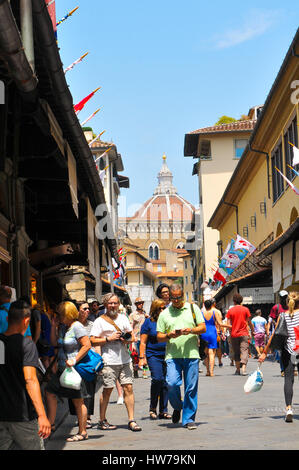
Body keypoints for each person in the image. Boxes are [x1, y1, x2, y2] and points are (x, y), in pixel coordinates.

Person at [0, 300, 51, 450]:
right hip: (23, 415)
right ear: (27, 321)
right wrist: (42, 415)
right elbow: (30, 379)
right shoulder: (27, 345)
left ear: (8, 319)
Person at [156, 283, 206, 430]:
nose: (176, 300)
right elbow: (159, 337)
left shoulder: (193, 308)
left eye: (179, 297)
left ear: (183, 295)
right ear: (169, 297)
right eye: (173, 298)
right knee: (171, 383)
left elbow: (202, 328)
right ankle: (178, 406)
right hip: (172, 355)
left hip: (191, 354)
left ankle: (189, 418)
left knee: (191, 388)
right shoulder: (165, 313)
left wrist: (190, 330)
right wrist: (169, 335)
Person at [90, 293, 142, 432]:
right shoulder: (99, 321)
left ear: (119, 304)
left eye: (115, 303)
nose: (113, 305)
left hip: (125, 359)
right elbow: (93, 340)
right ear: (106, 305)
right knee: (107, 390)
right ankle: (102, 420)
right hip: (108, 361)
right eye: (110, 303)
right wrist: (108, 339)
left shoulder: (124, 318)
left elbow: (131, 335)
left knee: (128, 388)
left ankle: (131, 420)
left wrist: (128, 339)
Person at [45, 301, 91, 442]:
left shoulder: (77, 326)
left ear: (67, 314)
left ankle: (82, 432)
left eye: (60, 314)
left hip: (73, 369)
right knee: (50, 392)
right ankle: (51, 424)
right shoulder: (64, 327)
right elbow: (54, 343)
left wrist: (74, 360)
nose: (58, 316)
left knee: (78, 400)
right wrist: (53, 326)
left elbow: (87, 345)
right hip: (61, 368)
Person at [259, 292, 299, 423]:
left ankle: (288, 409)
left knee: (288, 380)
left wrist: (265, 352)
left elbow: (274, 335)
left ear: (287, 302)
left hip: (288, 352)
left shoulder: (282, 315)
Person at [138, 299, 171, 420]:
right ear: (155, 309)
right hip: (153, 355)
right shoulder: (148, 322)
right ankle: (152, 408)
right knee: (157, 379)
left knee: (166, 382)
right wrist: (142, 358)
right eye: (160, 308)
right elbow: (142, 342)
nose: (162, 310)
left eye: (164, 308)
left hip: (168, 354)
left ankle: (163, 410)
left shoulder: (168, 321)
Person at [226, 293, 254, 376]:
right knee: (244, 350)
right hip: (244, 333)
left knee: (236, 352)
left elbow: (228, 325)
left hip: (234, 334)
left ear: (234, 301)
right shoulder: (245, 309)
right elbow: (249, 322)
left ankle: (238, 369)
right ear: (241, 301)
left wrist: (230, 332)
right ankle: (244, 369)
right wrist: (252, 330)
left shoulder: (230, 311)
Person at [200, 299, 229, 377]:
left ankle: (207, 371)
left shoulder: (201, 312)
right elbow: (220, 323)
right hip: (213, 333)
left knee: (205, 354)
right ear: (212, 305)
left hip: (204, 333)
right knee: (212, 353)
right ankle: (212, 372)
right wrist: (229, 326)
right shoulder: (215, 312)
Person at [129, 297, 149, 379]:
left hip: (145, 337)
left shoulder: (145, 314)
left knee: (144, 355)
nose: (140, 304)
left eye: (141, 303)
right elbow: (130, 327)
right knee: (135, 355)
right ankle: (135, 370)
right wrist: (132, 339)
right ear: (136, 305)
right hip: (136, 338)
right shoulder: (132, 315)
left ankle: (144, 372)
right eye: (138, 303)